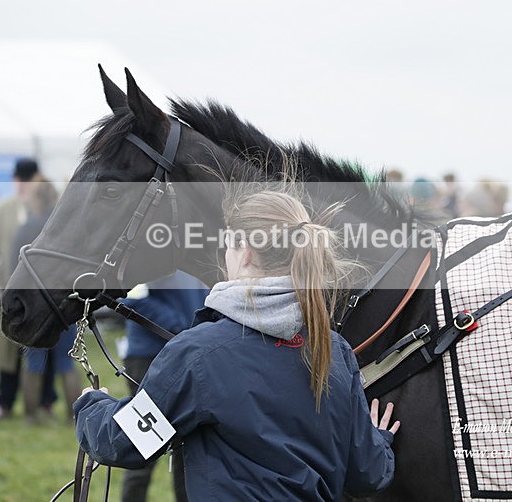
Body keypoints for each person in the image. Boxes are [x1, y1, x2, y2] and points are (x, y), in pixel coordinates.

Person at [73, 190, 399, 500]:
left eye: (228, 242)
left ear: (244, 251)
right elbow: (367, 475)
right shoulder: (335, 351)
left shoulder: (198, 354)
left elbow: (125, 442)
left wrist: (92, 406)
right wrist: (377, 439)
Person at [118, 271, 209, 502]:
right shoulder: (151, 253)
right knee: (144, 444)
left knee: (187, 447)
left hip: (188, 355)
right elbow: (129, 296)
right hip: (148, 357)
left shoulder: (195, 253)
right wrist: (177, 324)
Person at [0, 158, 56, 420]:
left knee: (41, 349)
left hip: (39, 296)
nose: (23, 186)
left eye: (28, 180)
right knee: (7, 352)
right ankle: (4, 402)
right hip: (6, 291)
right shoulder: (0, 210)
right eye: (20, 180)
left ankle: (45, 401)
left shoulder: (50, 210)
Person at [11, 175, 81, 424]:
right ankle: (75, 415)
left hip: (35, 306)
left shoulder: (26, 228)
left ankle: (31, 414)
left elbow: (15, 270)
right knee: (67, 362)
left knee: (34, 361)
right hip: (65, 304)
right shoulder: (68, 230)